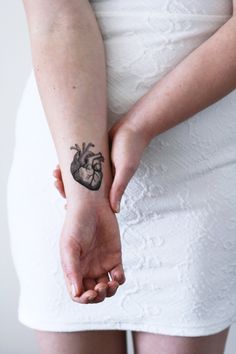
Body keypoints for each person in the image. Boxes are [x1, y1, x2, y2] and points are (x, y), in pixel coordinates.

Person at [6, 0, 236, 353]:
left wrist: (137, 128)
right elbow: (56, 20)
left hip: (199, 170)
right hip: (65, 153)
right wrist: (85, 190)